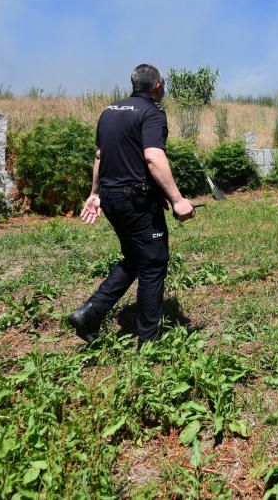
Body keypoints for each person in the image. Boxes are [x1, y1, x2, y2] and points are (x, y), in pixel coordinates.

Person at [69, 64, 195, 346]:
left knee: (136, 258)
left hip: (112, 199)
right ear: (158, 87)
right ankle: (148, 344)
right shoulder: (152, 112)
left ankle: (90, 313)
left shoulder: (109, 111)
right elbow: (152, 157)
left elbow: (101, 156)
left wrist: (95, 193)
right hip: (135, 201)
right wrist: (177, 200)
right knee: (153, 264)